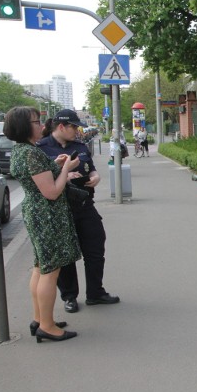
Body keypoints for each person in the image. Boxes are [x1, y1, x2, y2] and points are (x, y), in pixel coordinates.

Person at [4, 106, 81, 343]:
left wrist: (55, 165)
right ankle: (47, 326)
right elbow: (52, 192)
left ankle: (40, 319)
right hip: (47, 216)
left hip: (37, 213)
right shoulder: (32, 153)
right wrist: (66, 168)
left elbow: (40, 179)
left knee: (40, 267)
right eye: (37, 122)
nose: (41, 125)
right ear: (25, 126)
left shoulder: (22, 150)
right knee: (51, 270)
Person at [38, 109, 120, 313]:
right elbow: (42, 181)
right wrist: (64, 173)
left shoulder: (80, 146)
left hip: (84, 204)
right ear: (61, 127)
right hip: (60, 209)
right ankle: (69, 297)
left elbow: (90, 168)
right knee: (66, 255)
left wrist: (95, 176)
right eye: (73, 127)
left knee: (95, 247)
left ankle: (95, 292)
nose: (77, 130)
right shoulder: (41, 148)